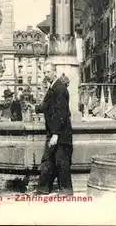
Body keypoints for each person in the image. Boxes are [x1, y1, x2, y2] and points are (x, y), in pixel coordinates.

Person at [35, 62, 73, 195]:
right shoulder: (53, 88)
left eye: (48, 72)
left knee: (61, 162)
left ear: (54, 72)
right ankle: (43, 189)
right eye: (44, 72)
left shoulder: (60, 89)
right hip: (54, 132)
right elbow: (47, 106)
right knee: (49, 161)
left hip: (60, 133)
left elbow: (61, 113)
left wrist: (55, 134)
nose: (46, 75)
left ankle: (66, 192)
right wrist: (36, 108)